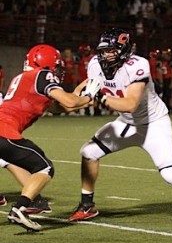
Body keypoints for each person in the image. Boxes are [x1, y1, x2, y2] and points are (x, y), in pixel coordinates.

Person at [68, 28, 172, 224]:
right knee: (89, 152)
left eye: (112, 50)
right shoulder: (95, 64)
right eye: (104, 50)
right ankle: (87, 206)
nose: (106, 55)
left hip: (153, 125)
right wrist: (72, 99)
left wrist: (98, 96)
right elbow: (87, 86)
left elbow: (130, 104)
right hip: (127, 123)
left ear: (124, 50)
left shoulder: (137, 65)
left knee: (171, 175)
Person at [0, 44, 101, 231]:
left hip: (3, 131)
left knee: (37, 164)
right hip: (4, 132)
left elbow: (61, 107)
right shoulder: (41, 75)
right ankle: (20, 208)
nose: (57, 71)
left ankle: (21, 207)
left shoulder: (25, 78)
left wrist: (82, 93)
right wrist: (87, 97)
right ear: (46, 63)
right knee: (44, 167)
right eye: (55, 66)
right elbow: (70, 101)